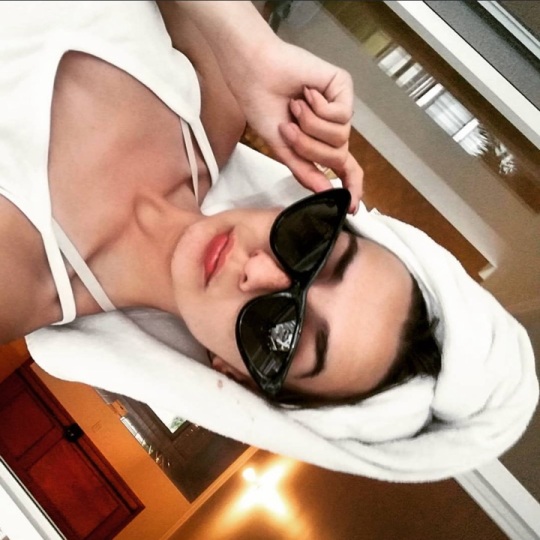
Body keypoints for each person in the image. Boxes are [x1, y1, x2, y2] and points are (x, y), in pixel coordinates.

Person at [1, 1, 537, 482]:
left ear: (238, 378)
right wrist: (249, 45)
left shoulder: (14, 290)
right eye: (314, 248)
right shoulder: (216, 102)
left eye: (282, 333)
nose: (258, 271)